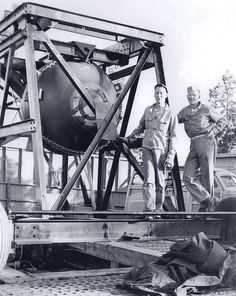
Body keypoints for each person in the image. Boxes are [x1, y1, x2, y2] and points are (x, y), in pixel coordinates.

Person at [120, 84, 178, 212]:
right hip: (146, 148)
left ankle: (157, 210)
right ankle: (149, 210)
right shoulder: (148, 110)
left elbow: (174, 137)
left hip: (161, 151)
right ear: (154, 94)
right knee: (148, 181)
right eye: (156, 93)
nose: (159, 95)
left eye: (161, 93)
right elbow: (140, 127)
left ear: (166, 95)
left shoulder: (171, 114)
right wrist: (128, 138)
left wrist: (170, 158)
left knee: (160, 183)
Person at [178, 85, 227, 212]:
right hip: (193, 144)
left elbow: (224, 120)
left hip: (207, 141)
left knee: (206, 175)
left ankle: (206, 208)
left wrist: (215, 131)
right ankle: (208, 199)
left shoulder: (206, 108)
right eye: (189, 94)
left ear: (199, 96)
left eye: (194, 94)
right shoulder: (184, 111)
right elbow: (172, 121)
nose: (191, 96)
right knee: (187, 176)